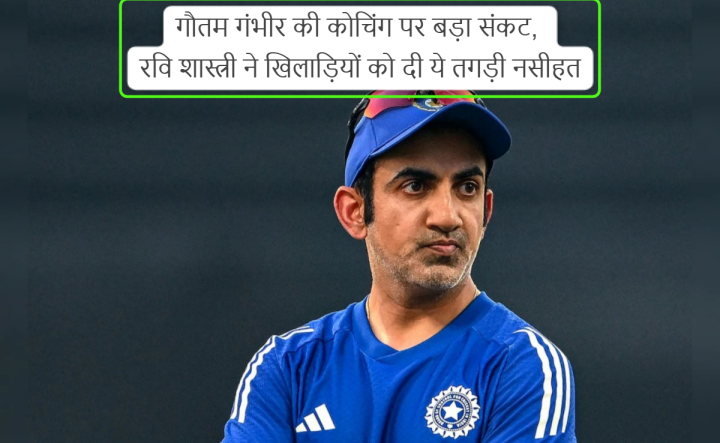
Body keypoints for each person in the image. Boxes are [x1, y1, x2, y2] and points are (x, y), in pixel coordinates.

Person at [220, 90, 577, 442]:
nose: (447, 216)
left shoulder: (523, 365)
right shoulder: (289, 366)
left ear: (486, 210)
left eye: (467, 187)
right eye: (415, 186)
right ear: (354, 211)